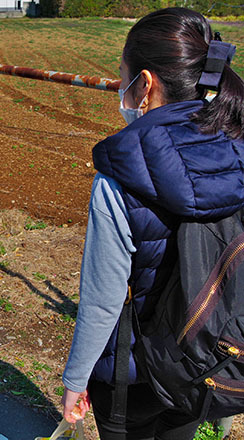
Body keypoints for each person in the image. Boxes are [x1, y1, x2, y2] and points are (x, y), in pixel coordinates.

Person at [60, 7, 244, 440]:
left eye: (122, 76)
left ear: (144, 84)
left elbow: (103, 301)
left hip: (133, 373)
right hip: (205, 361)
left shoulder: (119, 177)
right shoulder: (236, 151)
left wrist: (75, 380)